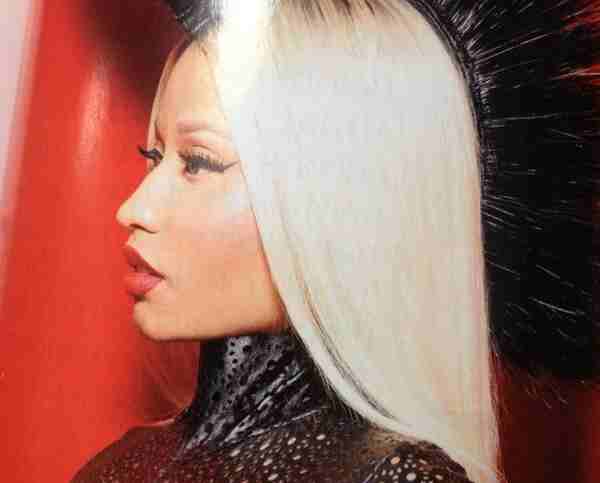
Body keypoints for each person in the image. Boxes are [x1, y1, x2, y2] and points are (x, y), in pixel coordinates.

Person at [72, 1, 600, 482]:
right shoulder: (122, 463)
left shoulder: (395, 478)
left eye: (199, 162)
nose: (135, 208)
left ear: (337, 206)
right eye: (155, 157)